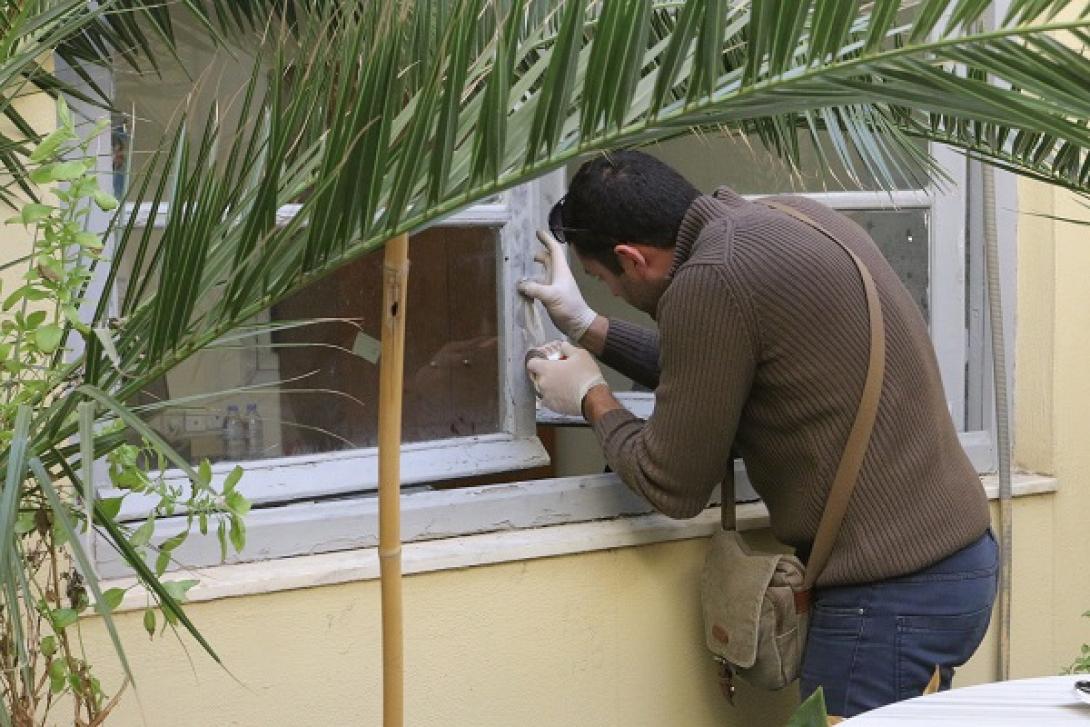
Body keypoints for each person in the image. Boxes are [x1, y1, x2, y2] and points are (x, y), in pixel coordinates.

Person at [518, 149, 997, 718]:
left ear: (632, 258)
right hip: (955, 561)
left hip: (889, 596)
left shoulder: (711, 279)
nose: (612, 296)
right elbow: (715, 364)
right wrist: (589, 329)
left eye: (603, 282)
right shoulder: (785, 218)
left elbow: (669, 482)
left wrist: (590, 397)